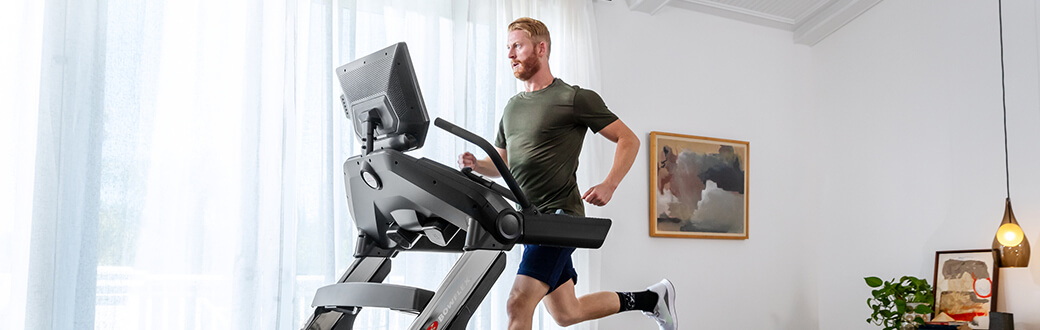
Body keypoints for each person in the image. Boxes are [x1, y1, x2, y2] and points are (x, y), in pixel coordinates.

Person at [457, 17, 678, 330]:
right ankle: (652, 299)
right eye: (508, 48)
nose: (510, 55)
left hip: (560, 217)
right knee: (566, 312)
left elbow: (628, 139)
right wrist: (476, 165)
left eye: (517, 46)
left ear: (541, 48)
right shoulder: (511, 108)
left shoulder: (574, 98)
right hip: (530, 221)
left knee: (518, 302)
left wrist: (610, 184)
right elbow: (503, 165)